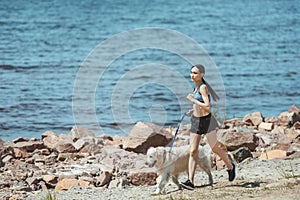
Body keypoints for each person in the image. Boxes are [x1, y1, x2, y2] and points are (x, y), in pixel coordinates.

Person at [180, 64, 235, 190]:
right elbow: (200, 105)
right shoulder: (196, 87)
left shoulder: (203, 87)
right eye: (191, 72)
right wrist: (192, 110)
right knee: (193, 151)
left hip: (207, 121)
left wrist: (193, 100)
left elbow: (208, 106)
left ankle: (230, 166)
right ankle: (190, 181)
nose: (192, 75)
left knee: (214, 148)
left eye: (195, 73)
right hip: (196, 121)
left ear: (202, 75)